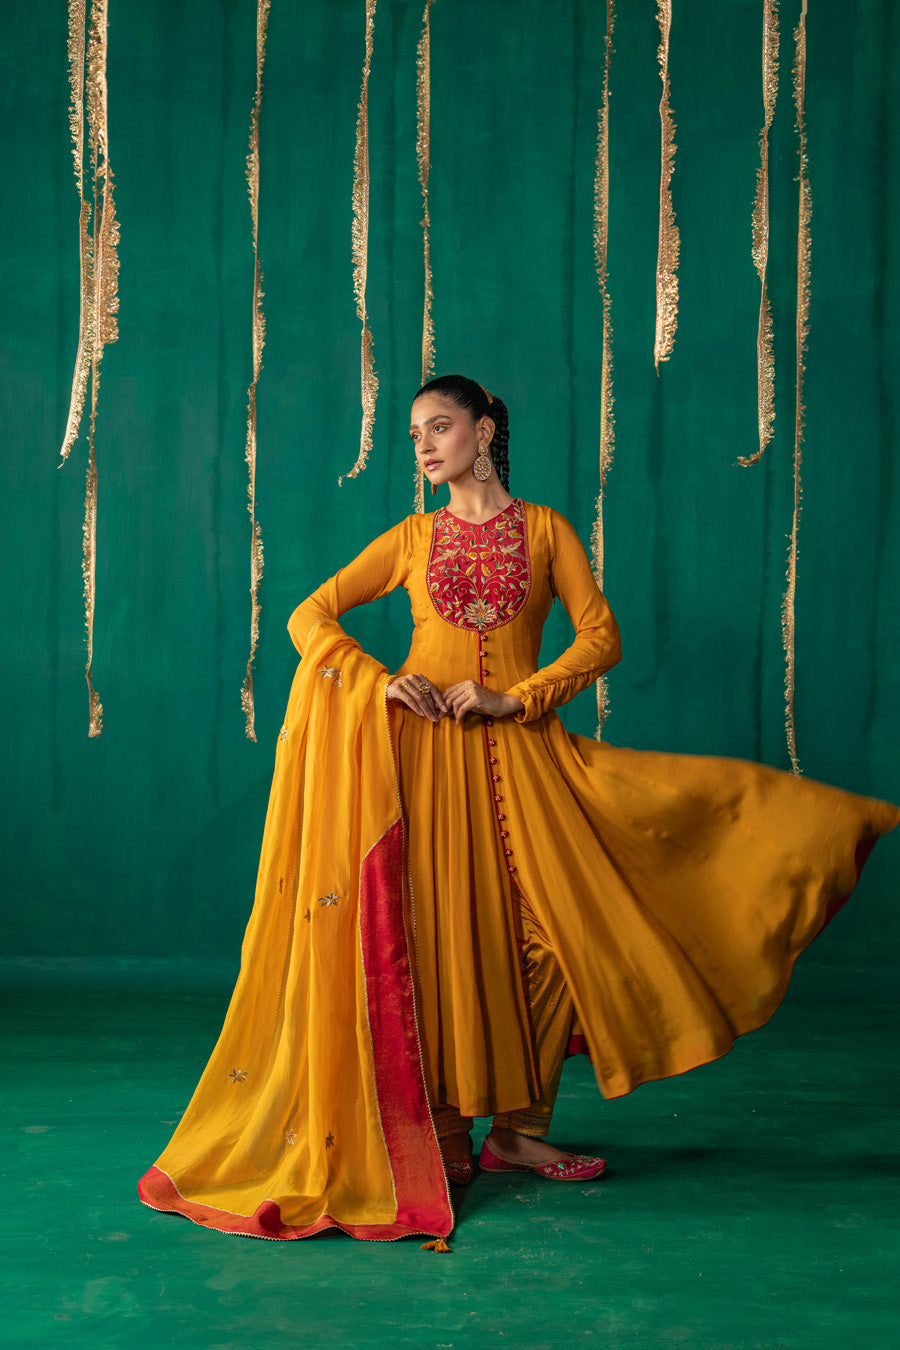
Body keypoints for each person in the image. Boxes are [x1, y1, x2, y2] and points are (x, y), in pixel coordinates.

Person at [139, 374, 898, 1248]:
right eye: (414, 433)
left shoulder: (545, 532)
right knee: (431, 938)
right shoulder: (412, 538)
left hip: (527, 757)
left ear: (485, 429)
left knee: (549, 938)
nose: (423, 446)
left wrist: (520, 698)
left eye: (440, 427)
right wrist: (384, 682)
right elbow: (310, 615)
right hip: (420, 767)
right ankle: (452, 1134)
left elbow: (601, 634)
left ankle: (516, 1130)